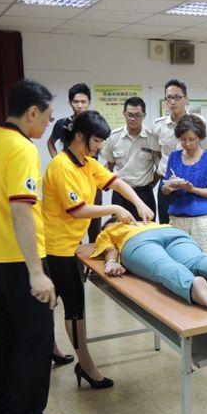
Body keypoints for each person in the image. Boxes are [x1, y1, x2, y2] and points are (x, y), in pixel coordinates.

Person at [0, 78, 71, 414]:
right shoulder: (22, 148)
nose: (47, 124)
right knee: (35, 339)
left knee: (0, 333)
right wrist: (36, 273)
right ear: (31, 112)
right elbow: (22, 211)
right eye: (46, 117)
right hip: (18, 259)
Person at [42, 111, 154, 390]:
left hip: (71, 245)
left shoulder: (86, 162)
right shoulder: (61, 166)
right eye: (96, 140)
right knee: (73, 306)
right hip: (55, 247)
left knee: (58, 302)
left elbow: (114, 181)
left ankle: (53, 349)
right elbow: (77, 210)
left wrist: (138, 202)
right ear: (79, 135)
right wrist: (116, 208)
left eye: (102, 141)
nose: (100, 146)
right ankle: (87, 366)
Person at [90, 220, 207, 312]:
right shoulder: (146, 221)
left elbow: (110, 250)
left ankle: (192, 287)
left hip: (136, 241)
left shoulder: (109, 231)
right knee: (197, 260)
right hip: (173, 232)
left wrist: (111, 262)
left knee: (163, 265)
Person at [46, 83, 103, 243]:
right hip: (70, 176)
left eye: (83, 101)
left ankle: (94, 261)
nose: (80, 105)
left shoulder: (95, 122)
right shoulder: (63, 124)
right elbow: (50, 142)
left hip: (91, 177)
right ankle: (73, 258)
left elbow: (104, 145)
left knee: (94, 222)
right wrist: (58, 160)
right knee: (71, 217)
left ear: (89, 102)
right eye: (76, 101)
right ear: (70, 102)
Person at [152, 79, 207, 223]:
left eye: (177, 97)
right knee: (166, 226)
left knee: (192, 226)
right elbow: (157, 154)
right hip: (166, 183)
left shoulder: (199, 122)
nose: (173, 102)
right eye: (169, 98)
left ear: (186, 99)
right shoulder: (159, 125)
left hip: (192, 182)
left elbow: (206, 152)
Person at [162, 114, 207, 256]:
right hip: (177, 219)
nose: (187, 144)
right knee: (179, 260)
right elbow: (164, 189)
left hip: (202, 221)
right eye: (183, 140)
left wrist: (192, 189)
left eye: (191, 140)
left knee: (204, 261)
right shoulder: (174, 157)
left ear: (199, 137)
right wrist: (169, 187)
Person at [101, 96, 160, 220]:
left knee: (146, 232)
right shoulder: (114, 136)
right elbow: (111, 164)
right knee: (119, 233)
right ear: (124, 114)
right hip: (120, 194)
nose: (133, 119)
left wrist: (149, 184)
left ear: (144, 115)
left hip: (144, 194)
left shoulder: (151, 138)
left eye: (137, 115)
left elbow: (159, 167)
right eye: (129, 115)